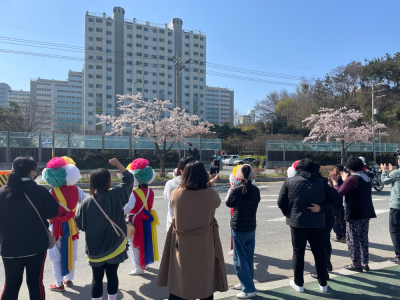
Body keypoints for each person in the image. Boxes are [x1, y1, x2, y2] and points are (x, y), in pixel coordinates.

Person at [157, 161, 228, 300]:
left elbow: (173, 201)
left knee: (180, 279)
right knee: (205, 281)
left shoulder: (176, 194)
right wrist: (208, 186)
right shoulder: (211, 194)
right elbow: (217, 203)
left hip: (182, 244)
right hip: (205, 243)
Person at [277, 158, 341, 293]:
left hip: (296, 223)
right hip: (317, 223)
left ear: (298, 169)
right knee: (319, 253)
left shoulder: (289, 181)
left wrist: (289, 213)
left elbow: (281, 202)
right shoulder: (321, 182)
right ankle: (323, 284)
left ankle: (299, 284)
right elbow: (336, 199)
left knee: (298, 252)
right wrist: (321, 207)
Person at [0, 157, 59, 300]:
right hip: (36, 246)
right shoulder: (40, 191)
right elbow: (53, 212)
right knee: (35, 283)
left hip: (9, 247)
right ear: (31, 171)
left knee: (11, 285)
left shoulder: (2, 192)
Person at [75, 158, 134, 300]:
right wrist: (118, 165)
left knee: (97, 277)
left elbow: (80, 225)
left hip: (94, 249)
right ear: (108, 182)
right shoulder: (116, 196)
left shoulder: (86, 203)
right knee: (112, 275)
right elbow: (128, 179)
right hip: (116, 245)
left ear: (92, 183)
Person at [42, 156, 87, 292]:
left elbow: (46, 212)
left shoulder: (51, 192)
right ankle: (69, 279)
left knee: (55, 256)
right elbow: (86, 205)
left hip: (55, 226)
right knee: (70, 252)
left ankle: (59, 283)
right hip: (72, 226)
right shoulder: (77, 190)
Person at [330, 156, 377, 272]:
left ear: (349, 167)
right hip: (366, 212)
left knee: (353, 239)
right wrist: (346, 179)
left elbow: (339, 193)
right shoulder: (366, 177)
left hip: (354, 212)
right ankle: (364, 263)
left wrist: (335, 182)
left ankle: (356, 264)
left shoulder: (352, 179)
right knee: (363, 238)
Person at [226, 165, 260, 299]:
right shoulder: (256, 190)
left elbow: (229, 203)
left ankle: (249, 288)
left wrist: (232, 188)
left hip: (239, 226)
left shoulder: (236, 189)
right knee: (248, 257)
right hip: (251, 226)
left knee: (239, 258)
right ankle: (246, 282)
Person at [123, 158, 160, 275]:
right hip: (147, 219)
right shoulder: (151, 191)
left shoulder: (134, 192)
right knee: (146, 240)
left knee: (136, 244)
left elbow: (128, 208)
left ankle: (138, 268)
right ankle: (146, 263)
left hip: (136, 220)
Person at [310, 163, 339, 280]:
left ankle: (323, 271)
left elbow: (336, 197)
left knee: (320, 244)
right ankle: (327, 265)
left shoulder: (316, 183)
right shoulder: (323, 181)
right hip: (329, 215)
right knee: (325, 240)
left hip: (322, 216)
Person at [164, 156, 196, 232]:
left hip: (173, 225)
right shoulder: (198, 185)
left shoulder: (170, 184)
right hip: (193, 227)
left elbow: (166, 198)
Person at [380, 153, 400, 264]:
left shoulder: (396, 173)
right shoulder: (395, 173)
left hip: (397, 206)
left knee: (395, 231)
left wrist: (384, 171)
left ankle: (399, 255)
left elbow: (384, 181)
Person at [328, 164, 346, 243]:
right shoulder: (344, 178)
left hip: (333, 203)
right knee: (342, 219)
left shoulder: (333, 179)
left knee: (335, 220)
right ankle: (344, 234)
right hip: (340, 202)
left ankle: (339, 236)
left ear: (335, 171)